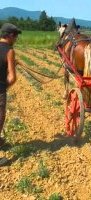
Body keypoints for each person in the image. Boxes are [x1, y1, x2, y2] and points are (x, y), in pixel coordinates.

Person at [0, 23, 21, 166]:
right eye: (16, 36)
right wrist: (4, 87)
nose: (16, 39)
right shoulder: (9, 51)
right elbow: (12, 78)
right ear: (10, 36)